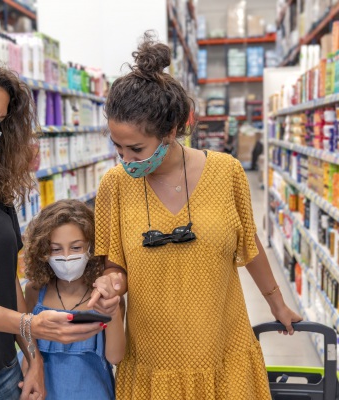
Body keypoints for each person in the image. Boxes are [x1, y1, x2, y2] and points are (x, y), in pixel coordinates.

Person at [88, 32, 302, 399]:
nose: (125, 159)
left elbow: (249, 245)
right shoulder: (114, 185)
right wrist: (111, 285)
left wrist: (278, 303)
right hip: (153, 357)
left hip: (224, 347)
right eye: (117, 146)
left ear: (171, 131)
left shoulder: (227, 172)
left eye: (136, 148)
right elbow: (115, 267)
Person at [0, 50, 105, 400]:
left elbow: (5, 276)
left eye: (1, 120)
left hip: (2, 375)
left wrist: (33, 358)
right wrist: (27, 324)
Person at [23, 199, 125, 400]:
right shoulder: (35, 290)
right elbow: (28, 341)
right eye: (56, 249)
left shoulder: (105, 298)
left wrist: (111, 311)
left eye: (76, 247)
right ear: (43, 251)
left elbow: (115, 356)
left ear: (91, 247)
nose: (66, 257)